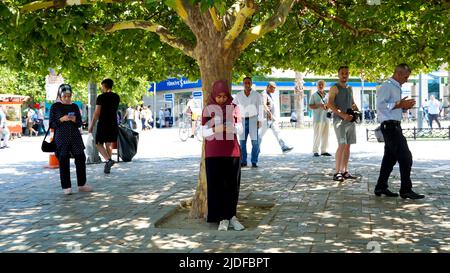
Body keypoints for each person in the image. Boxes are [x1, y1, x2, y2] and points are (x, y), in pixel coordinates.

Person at [374, 63, 424, 199]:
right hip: (390, 127)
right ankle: (405, 190)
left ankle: (381, 187)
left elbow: (392, 107)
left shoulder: (396, 87)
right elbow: (379, 105)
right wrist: (398, 104)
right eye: (406, 77)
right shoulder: (387, 86)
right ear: (399, 74)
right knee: (406, 157)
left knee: (389, 159)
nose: (407, 80)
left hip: (394, 125)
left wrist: (402, 107)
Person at [201, 80, 245, 231]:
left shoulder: (234, 108)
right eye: (218, 96)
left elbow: (240, 130)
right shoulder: (207, 109)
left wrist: (230, 127)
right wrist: (216, 129)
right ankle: (222, 219)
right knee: (216, 186)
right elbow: (202, 133)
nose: (221, 99)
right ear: (214, 95)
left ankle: (231, 216)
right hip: (213, 154)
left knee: (232, 186)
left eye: (224, 96)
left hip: (232, 153)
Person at [50, 84, 92, 195]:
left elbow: (79, 123)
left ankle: (81, 184)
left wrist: (74, 120)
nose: (68, 99)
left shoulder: (74, 107)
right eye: (65, 96)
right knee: (63, 160)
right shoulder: (55, 107)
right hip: (61, 138)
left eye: (69, 96)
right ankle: (66, 187)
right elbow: (52, 124)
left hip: (75, 137)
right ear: (60, 96)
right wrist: (61, 119)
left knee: (80, 158)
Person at [327, 66, 359, 182]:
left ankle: (345, 171)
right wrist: (342, 115)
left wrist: (356, 111)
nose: (344, 75)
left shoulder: (350, 88)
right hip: (339, 121)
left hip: (350, 120)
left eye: (346, 73)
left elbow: (352, 103)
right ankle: (337, 173)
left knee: (347, 146)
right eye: (342, 73)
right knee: (341, 145)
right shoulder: (334, 88)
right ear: (338, 74)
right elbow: (330, 104)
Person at [88, 79, 120, 174]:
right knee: (108, 143)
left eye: (102, 86)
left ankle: (108, 160)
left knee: (98, 143)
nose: (101, 88)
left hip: (103, 123)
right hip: (113, 123)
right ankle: (108, 164)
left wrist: (91, 125)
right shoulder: (116, 97)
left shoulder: (101, 97)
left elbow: (97, 113)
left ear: (104, 86)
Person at [233, 76, 263, 168]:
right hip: (241, 120)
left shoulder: (257, 95)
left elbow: (260, 108)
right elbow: (233, 106)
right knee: (242, 143)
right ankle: (243, 161)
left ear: (251, 83)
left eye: (249, 82)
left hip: (253, 119)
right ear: (243, 84)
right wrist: (235, 120)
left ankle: (254, 161)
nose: (247, 84)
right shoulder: (238, 95)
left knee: (255, 142)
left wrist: (260, 120)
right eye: (245, 83)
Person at [259, 82, 293, 153]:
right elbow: (263, 104)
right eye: (273, 87)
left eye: (275, 88)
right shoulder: (264, 94)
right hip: (266, 118)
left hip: (271, 119)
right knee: (260, 135)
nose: (274, 89)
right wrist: (269, 113)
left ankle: (284, 147)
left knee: (277, 132)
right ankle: (256, 148)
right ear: (268, 87)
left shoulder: (269, 94)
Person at [309, 80, 331, 157]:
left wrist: (327, 106)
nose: (321, 86)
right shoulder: (314, 95)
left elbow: (330, 105)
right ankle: (315, 151)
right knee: (317, 134)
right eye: (319, 85)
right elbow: (310, 106)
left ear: (324, 86)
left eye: (322, 84)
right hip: (318, 118)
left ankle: (324, 150)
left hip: (326, 118)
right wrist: (319, 105)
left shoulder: (327, 95)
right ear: (317, 86)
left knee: (326, 135)